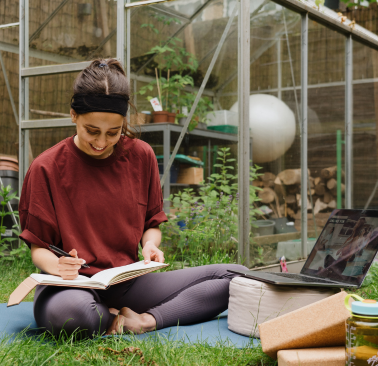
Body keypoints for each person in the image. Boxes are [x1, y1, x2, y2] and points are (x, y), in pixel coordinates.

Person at [19, 59, 247, 338]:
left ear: (124, 122)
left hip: (126, 284)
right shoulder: (46, 167)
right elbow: (38, 248)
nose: (101, 142)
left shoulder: (141, 156)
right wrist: (59, 266)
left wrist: (150, 244)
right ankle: (107, 317)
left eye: (113, 132)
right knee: (72, 315)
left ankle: (146, 321)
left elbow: (152, 223)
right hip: (68, 287)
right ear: (73, 115)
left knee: (237, 277)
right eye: (92, 130)